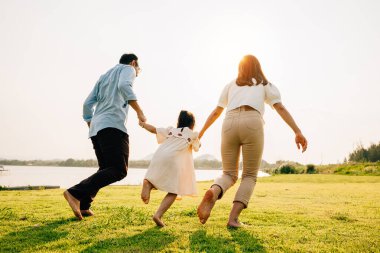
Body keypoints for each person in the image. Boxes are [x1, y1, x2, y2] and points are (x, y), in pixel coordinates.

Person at [197, 55, 308, 227]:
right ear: (258, 67)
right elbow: (280, 107)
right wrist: (297, 131)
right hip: (252, 122)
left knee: (228, 174)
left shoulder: (230, 85)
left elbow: (216, 112)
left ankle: (214, 190)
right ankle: (233, 219)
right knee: (248, 175)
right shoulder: (264, 85)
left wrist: (201, 132)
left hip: (229, 122)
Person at [63, 53, 146, 220]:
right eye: (138, 69)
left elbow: (87, 103)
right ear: (134, 62)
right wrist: (139, 112)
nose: (137, 72)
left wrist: (90, 121)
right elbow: (124, 85)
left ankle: (85, 205)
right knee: (119, 170)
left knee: (105, 169)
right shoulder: (128, 69)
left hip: (97, 128)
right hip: (112, 125)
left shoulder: (104, 76)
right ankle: (74, 193)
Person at [139, 110, 200, 227]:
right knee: (174, 191)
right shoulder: (192, 134)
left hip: (159, 155)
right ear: (192, 124)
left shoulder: (171, 130)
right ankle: (158, 215)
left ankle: (149, 183)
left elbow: (153, 129)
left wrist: (142, 124)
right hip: (174, 159)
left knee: (161, 180)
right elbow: (197, 147)